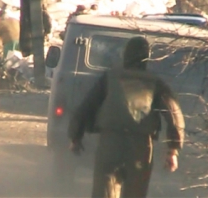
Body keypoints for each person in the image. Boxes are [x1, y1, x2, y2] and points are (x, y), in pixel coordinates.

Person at [68, 36, 185, 198]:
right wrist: (173, 150)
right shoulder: (155, 82)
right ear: (147, 57)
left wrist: (75, 136)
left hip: (110, 143)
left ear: (125, 54)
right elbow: (174, 114)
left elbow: (87, 107)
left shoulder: (110, 78)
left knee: (104, 193)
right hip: (140, 147)